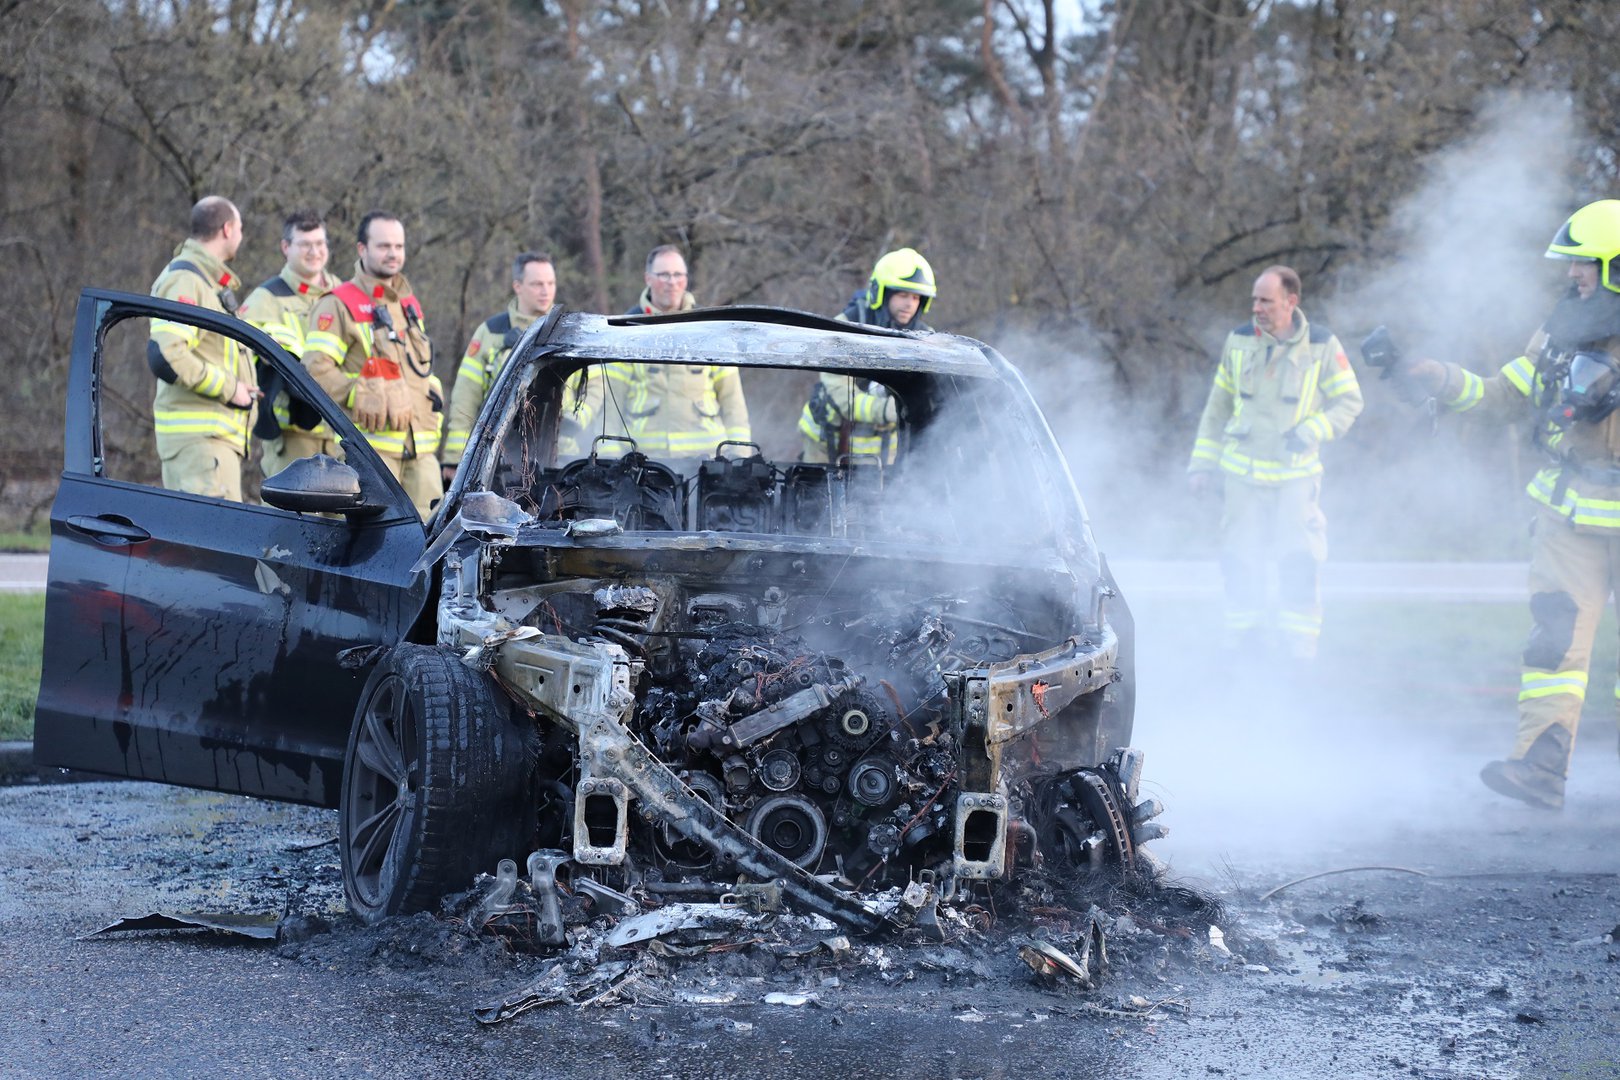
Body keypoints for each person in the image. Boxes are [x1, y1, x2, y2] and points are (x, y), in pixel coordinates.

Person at [1372, 199, 1620, 810]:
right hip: (1571, 514)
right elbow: (1503, 394)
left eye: (1583, 264)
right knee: (1553, 646)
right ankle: (1540, 768)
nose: (1571, 275)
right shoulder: (1559, 329)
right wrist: (1434, 376)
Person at [1187, 264, 1363, 661]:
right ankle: (1243, 650)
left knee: (1298, 564)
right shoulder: (1238, 341)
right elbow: (1217, 409)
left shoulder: (1321, 345)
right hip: (1241, 477)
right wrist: (1201, 466)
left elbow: (1350, 402)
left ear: (1291, 301)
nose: (1257, 308)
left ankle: (1297, 655)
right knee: (1239, 564)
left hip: (1295, 478)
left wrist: (1314, 429)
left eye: (1266, 300)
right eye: (1254, 299)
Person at [303, 211, 444, 519]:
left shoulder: (408, 305)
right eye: (383, 246)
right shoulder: (337, 304)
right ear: (361, 249)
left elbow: (418, 369)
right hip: (372, 457)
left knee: (432, 544)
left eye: (398, 246)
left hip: (422, 454)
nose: (392, 254)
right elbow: (315, 370)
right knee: (375, 550)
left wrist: (431, 390)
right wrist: (358, 393)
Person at [443, 252, 599, 478]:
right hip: (499, 458)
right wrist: (455, 456)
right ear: (517, 286)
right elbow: (466, 397)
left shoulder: (573, 331)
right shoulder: (492, 333)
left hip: (563, 457)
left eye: (550, 283)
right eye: (537, 284)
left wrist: (576, 421)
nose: (546, 290)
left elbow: (596, 387)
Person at [148, 195, 259, 500]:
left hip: (211, 445)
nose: (241, 236)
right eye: (240, 228)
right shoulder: (186, 280)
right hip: (202, 446)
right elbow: (166, 356)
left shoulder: (207, 283)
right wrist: (230, 387)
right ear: (227, 229)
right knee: (215, 546)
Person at [602, 245, 749, 466]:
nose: (672, 281)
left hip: (707, 462)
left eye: (678, 274)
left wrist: (740, 458)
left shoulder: (710, 330)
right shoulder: (626, 331)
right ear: (648, 279)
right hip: (643, 462)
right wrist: (609, 460)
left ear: (686, 279)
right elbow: (611, 407)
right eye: (664, 275)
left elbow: (733, 403)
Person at [798, 247, 935, 462]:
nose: (910, 304)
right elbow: (841, 394)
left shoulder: (925, 341)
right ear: (881, 292)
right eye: (903, 294)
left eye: (917, 297)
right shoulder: (844, 327)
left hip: (882, 452)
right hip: (827, 445)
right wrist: (892, 409)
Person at [237, 209, 337, 479]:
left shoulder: (343, 294)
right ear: (285, 247)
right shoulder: (264, 300)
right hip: (294, 436)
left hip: (342, 435)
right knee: (294, 519)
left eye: (319, 243)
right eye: (305, 244)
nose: (314, 251)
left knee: (344, 521)